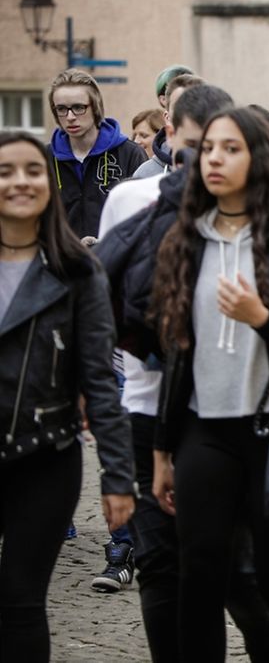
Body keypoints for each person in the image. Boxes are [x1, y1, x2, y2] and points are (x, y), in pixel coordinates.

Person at [97, 86, 269, 663]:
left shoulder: (255, 213)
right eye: (193, 149)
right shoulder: (130, 200)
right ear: (169, 134)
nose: (204, 164)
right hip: (146, 403)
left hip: (225, 411)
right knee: (161, 564)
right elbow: (104, 302)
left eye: (221, 149)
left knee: (232, 570)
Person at [149, 108, 269, 662]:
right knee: (200, 574)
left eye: (230, 148)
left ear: (257, 159)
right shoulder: (186, 239)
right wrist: (163, 448)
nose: (214, 158)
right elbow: (176, 351)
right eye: (209, 148)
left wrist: (263, 318)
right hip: (203, 432)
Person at [0, 131, 136, 663]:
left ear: (49, 183)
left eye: (33, 170)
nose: (20, 182)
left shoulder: (78, 271)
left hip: (46, 457)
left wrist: (118, 477)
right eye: (5, 171)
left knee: (21, 601)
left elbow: (100, 380)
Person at [46, 69, 148, 242]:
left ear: (95, 107)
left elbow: (145, 216)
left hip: (115, 255)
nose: (70, 117)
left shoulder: (129, 153)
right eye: (61, 109)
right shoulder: (45, 157)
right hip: (62, 257)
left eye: (79, 107)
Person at [134, 74, 207, 179]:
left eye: (196, 105)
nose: (189, 113)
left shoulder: (218, 168)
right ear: (167, 117)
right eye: (180, 106)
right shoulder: (144, 175)